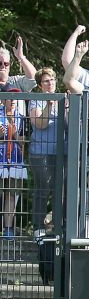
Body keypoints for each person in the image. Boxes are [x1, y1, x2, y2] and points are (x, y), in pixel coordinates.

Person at [27, 68, 60, 238]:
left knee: (58, 189)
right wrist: (48, 106)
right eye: (46, 81)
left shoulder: (62, 99)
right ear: (40, 85)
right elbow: (40, 124)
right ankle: (38, 227)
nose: (50, 83)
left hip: (58, 153)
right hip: (39, 153)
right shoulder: (36, 100)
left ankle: (56, 227)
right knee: (43, 188)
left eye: (52, 79)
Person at [0, 87, 26, 237]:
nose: (13, 100)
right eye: (10, 97)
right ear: (4, 100)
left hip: (15, 160)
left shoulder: (22, 117)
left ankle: (8, 228)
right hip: (1, 158)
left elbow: (23, 141)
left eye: (16, 97)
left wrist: (12, 129)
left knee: (11, 194)